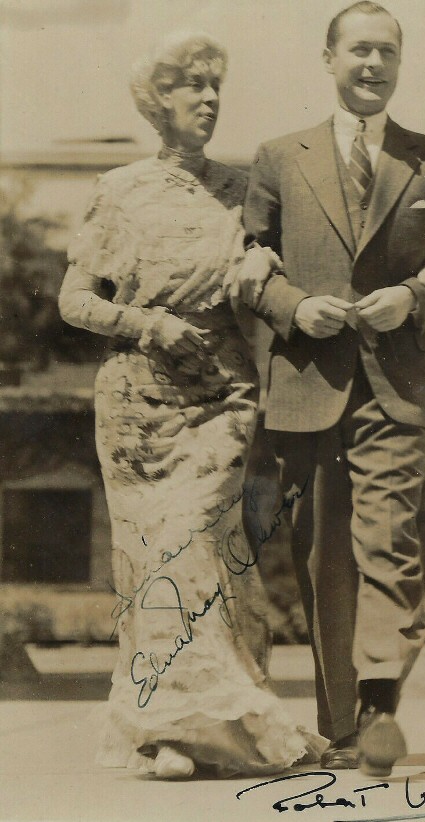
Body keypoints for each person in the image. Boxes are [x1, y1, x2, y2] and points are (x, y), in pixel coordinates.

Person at [58, 32, 324, 779]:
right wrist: (146, 321)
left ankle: (215, 726)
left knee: (196, 545)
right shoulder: (119, 190)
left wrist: (260, 275)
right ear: (157, 101)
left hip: (222, 395)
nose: (207, 99)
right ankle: (173, 732)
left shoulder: (246, 191)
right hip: (137, 403)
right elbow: (74, 300)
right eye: (191, 87)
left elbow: (269, 284)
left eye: (215, 87)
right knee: (153, 563)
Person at [241, 2, 425, 777]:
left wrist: (416, 298)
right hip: (307, 382)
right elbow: (250, 263)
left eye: (387, 52)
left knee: (388, 541)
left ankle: (380, 701)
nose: (372, 65)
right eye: (358, 51)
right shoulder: (279, 156)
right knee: (322, 559)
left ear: (399, 64)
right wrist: (292, 306)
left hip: (396, 381)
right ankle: (339, 724)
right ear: (329, 58)